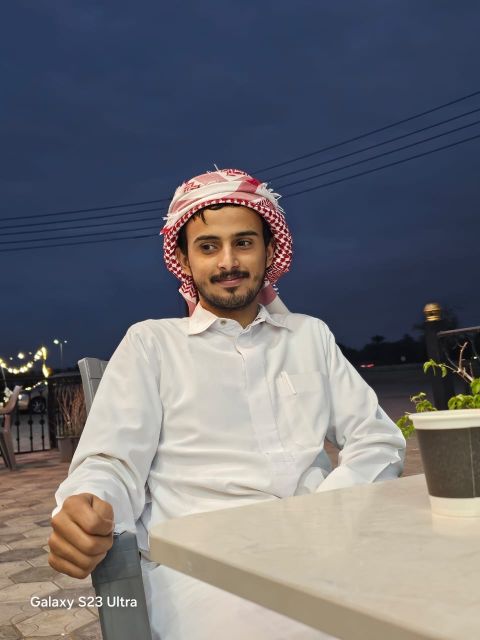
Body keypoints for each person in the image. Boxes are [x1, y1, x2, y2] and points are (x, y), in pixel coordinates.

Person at [49, 168, 406, 640]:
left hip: (326, 549)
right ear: (183, 258)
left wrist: (327, 512)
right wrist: (86, 505)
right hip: (207, 574)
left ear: (270, 250)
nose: (228, 261)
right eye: (208, 246)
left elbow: (376, 439)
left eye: (244, 242)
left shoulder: (310, 336)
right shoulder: (152, 344)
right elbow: (111, 462)